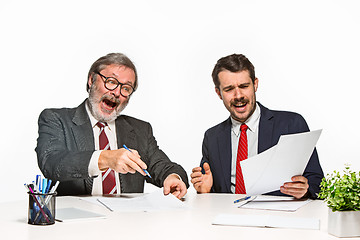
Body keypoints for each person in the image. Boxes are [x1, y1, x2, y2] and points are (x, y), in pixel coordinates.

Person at [36, 53, 189, 199]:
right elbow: (51, 163)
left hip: (126, 221)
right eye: (111, 82)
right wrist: (105, 158)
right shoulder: (56, 119)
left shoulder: (140, 130)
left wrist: (172, 178)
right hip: (78, 221)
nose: (117, 92)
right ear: (91, 80)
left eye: (126, 88)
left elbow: (164, 166)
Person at [191, 54, 323, 199]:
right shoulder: (212, 137)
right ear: (219, 93)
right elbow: (212, 193)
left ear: (255, 84)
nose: (238, 95)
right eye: (229, 89)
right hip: (229, 218)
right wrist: (205, 192)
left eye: (244, 86)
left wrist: (305, 189)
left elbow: (318, 183)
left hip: (277, 218)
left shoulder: (291, 124)